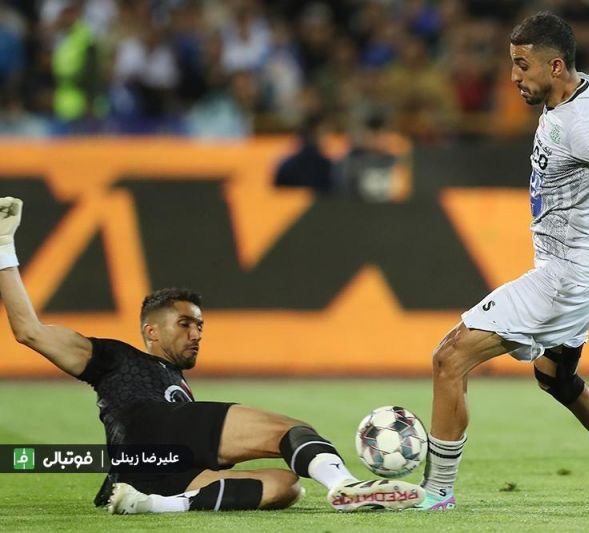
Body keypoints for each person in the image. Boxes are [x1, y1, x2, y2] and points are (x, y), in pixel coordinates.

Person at [416, 12, 589, 510]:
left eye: (522, 66)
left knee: (449, 358)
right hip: (584, 271)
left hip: (565, 278)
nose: (513, 76)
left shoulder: (581, 125)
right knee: (556, 378)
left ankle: (437, 492)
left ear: (556, 66)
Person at [0, 196, 423, 514]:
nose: (196, 334)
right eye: (185, 324)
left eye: (200, 326)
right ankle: (345, 484)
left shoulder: (175, 384)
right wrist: (4, 247)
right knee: (290, 430)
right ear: (150, 331)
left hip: (149, 473)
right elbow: (30, 331)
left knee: (285, 486)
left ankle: (152, 505)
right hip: (154, 431)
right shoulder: (115, 358)